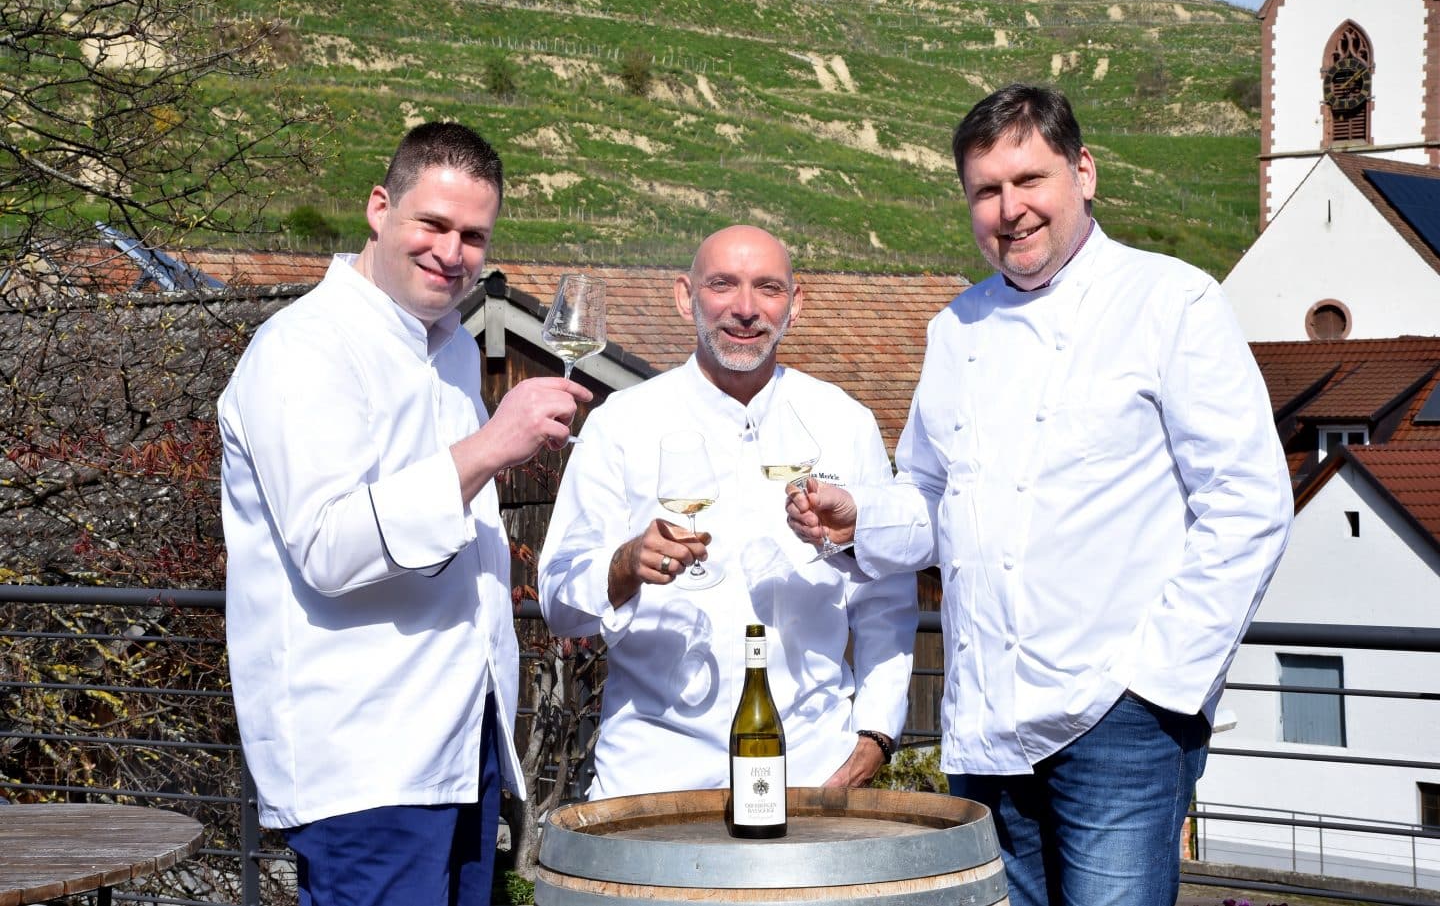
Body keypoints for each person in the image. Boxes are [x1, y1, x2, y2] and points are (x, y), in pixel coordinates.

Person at [786, 85, 1293, 906]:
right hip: (986, 722)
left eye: (1030, 180)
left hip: (1119, 719)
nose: (1010, 209)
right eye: (987, 190)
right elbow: (931, 497)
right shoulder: (956, 330)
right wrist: (858, 516)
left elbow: (1249, 504)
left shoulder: (1172, 301)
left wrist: (1158, 682)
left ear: (1083, 172)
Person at [219, 122, 591, 906]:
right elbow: (329, 546)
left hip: (461, 742)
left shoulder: (450, 350)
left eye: (473, 236)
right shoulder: (304, 348)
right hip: (366, 756)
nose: (451, 252)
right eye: (434, 224)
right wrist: (491, 446)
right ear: (380, 207)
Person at [537, 224, 917, 799]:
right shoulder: (624, 422)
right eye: (722, 285)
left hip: (809, 772)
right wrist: (622, 566)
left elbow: (885, 597)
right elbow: (558, 602)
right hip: (655, 774)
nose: (745, 309)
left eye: (767, 288)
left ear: (796, 303)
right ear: (685, 296)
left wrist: (877, 732)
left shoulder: (844, 421)